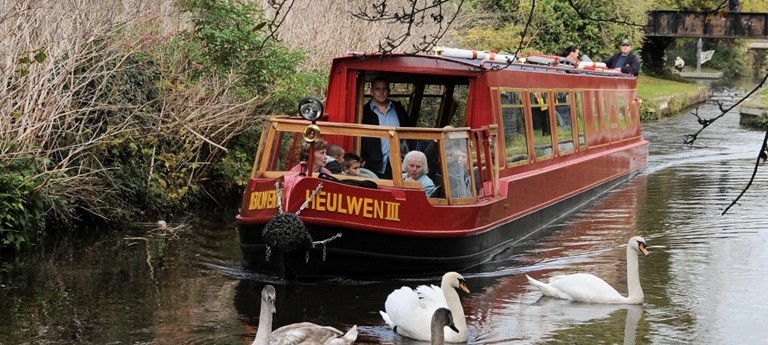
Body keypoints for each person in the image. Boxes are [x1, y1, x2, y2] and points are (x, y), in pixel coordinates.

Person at [360, 77, 410, 179]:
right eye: (378, 89)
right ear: (371, 91)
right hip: (372, 164)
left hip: (397, 162)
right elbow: (358, 137)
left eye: (384, 89)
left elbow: (409, 133)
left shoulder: (399, 109)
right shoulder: (363, 112)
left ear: (389, 91)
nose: (381, 92)